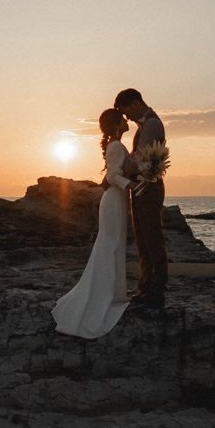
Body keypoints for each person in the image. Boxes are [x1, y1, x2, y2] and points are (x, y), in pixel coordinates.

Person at [51, 108, 132, 338]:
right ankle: (104, 297)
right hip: (114, 199)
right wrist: (132, 185)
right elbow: (112, 176)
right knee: (110, 244)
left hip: (115, 199)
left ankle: (113, 293)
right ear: (117, 123)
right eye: (123, 119)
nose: (127, 121)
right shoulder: (115, 146)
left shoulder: (115, 144)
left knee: (111, 243)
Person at [114, 88, 167, 310]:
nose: (126, 117)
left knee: (152, 239)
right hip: (141, 186)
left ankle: (156, 290)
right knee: (142, 239)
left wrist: (120, 160)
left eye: (126, 111)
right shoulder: (144, 125)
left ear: (135, 103)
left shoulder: (152, 124)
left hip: (148, 187)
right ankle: (145, 286)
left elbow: (140, 158)